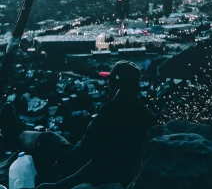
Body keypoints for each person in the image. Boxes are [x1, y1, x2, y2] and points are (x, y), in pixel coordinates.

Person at [19, 60, 156, 189]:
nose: (107, 86)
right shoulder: (147, 117)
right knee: (48, 138)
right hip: (81, 157)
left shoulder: (111, 114)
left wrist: (58, 185)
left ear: (117, 86)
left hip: (73, 162)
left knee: (44, 138)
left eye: (110, 82)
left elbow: (96, 164)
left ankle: (15, 132)